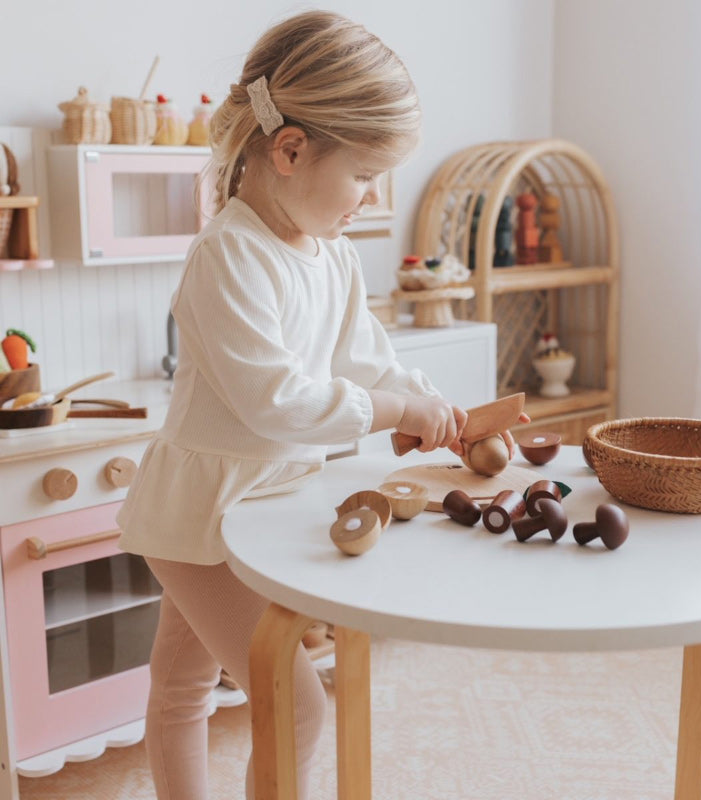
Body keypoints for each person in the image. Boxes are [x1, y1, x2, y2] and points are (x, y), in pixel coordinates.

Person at [117, 10, 518, 800]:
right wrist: (394, 413)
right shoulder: (227, 255)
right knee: (288, 706)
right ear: (291, 150)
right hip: (201, 514)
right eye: (365, 174)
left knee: (181, 687)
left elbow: (367, 357)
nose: (369, 200)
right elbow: (278, 403)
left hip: (261, 508)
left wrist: (440, 411)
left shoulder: (329, 256)